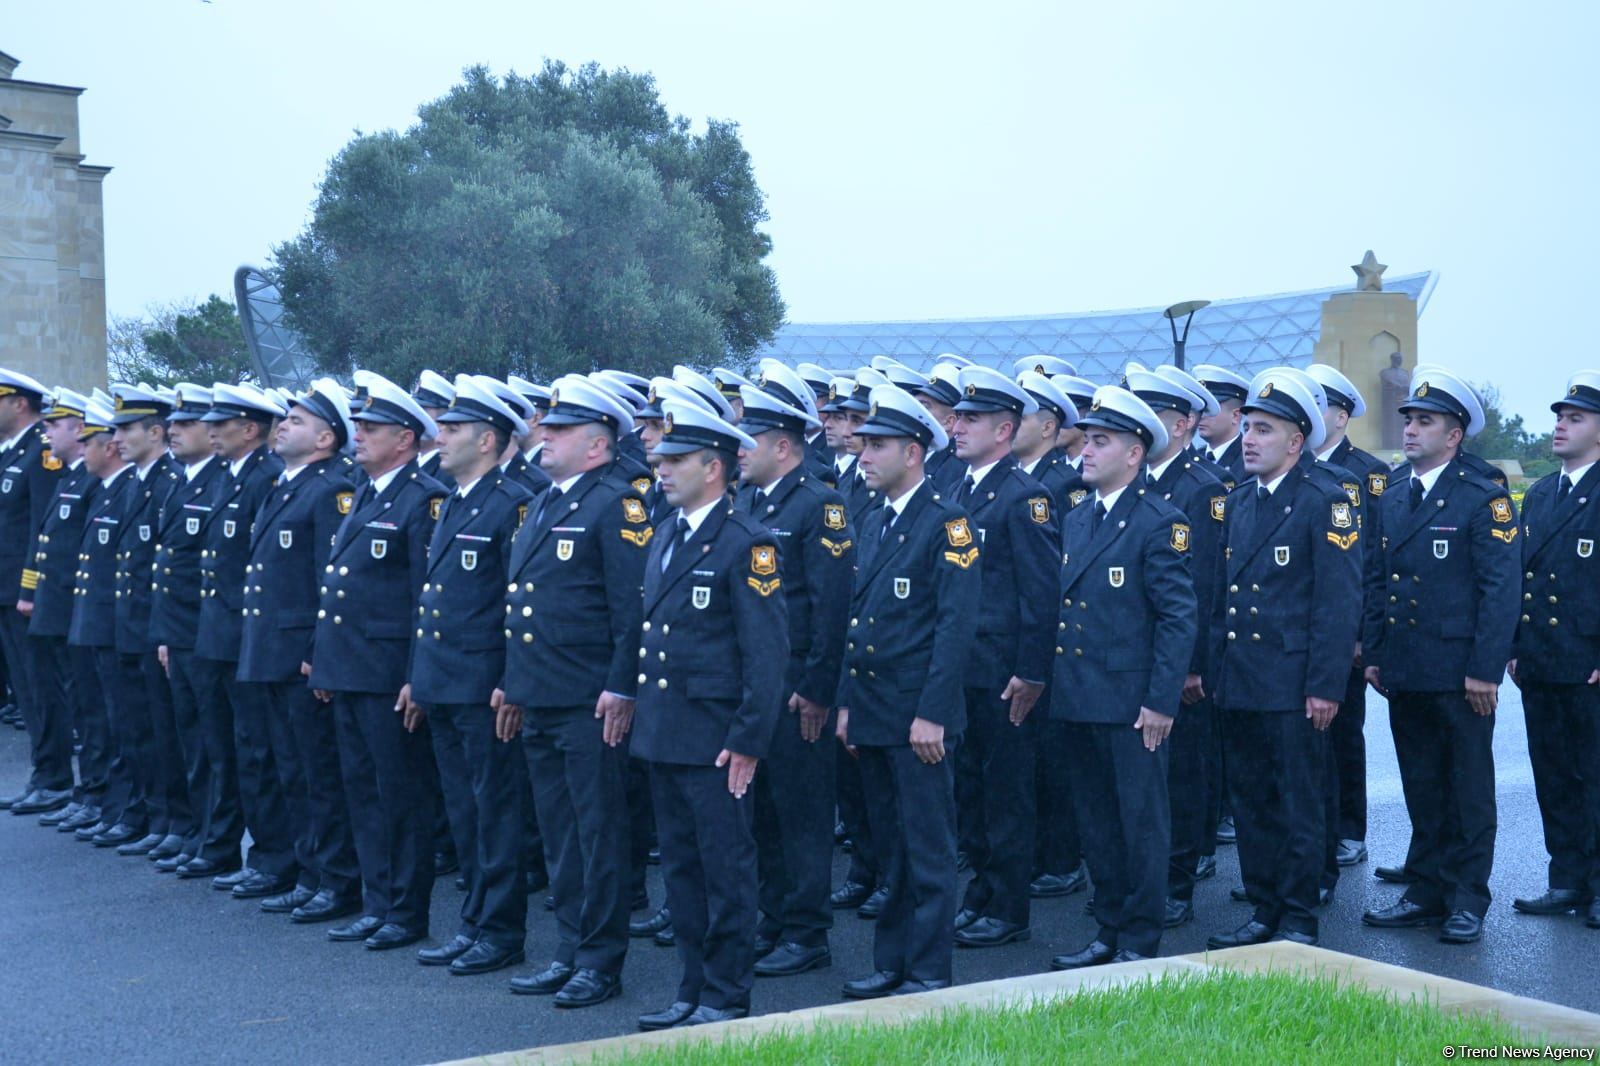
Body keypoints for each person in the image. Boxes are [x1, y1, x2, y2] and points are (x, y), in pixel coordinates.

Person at [631, 400, 787, 1030]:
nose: (660, 470)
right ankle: (691, 987)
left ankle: (725, 994)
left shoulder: (749, 544)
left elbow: (766, 654)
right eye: (660, 459)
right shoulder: (667, 532)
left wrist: (749, 740)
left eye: (675, 461)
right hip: (667, 732)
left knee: (726, 870)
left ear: (714, 467)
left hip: (718, 740)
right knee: (683, 871)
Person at [501, 376, 648, 1006]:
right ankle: (568, 948)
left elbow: (632, 611)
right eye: (546, 427)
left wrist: (621, 687)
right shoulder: (545, 502)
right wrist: (514, 684)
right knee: (560, 834)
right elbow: (527, 606)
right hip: (542, 695)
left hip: (591, 703)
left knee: (599, 835)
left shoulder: (617, 505)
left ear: (597, 446)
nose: (544, 436)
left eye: (559, 432)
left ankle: (599, 960)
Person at [1361, 367, 1519, 945]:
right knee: (1422, 785)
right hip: (1407, 668)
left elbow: (1499, 591)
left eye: (1424, 421)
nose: (1410, 430)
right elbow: (1378, 579)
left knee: (1468, 788)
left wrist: (1484, 669)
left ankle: (1467, 898)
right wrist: (1376, 652)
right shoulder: (1396, 494)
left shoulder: (1484, 497)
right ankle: (1426, 889)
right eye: (1408, 420)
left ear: (1454, 435)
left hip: (1460, 674)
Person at [1205, 369, 1362, 949]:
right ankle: (1263, 907)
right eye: (1246, 426)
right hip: (1243, 680)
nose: (1248, 438)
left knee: (1296, 801)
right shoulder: (1239, 501)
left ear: (1297, 442)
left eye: (1263, 430)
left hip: (1295, 682)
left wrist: (1325, 687)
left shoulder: (1327, 500)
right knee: (1251, 802)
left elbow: (1337, 603)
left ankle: (1296, 915)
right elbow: (1224, 599)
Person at [836, 384, 980, 999]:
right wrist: (845, 702)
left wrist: (934, 715)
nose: (864, 455)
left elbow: (955, 629)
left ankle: (926, 970)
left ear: (915, 452)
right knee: (889, 848)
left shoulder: (948, 524)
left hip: (916, 718)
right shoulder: (873, 518)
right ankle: (890, 960)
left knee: (927, 849)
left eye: (878, 445)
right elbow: (856, 619)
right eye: (863, 444)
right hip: (873, 711)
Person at [1048, 386, 1196, 969]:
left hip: (1133, 703)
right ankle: (1107, 928)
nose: (1086, 450)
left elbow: (1177, 618)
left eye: (1101, 441)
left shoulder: (1161, 520)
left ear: (1134, 454)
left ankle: (1139, 940)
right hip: (1081, 696)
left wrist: (1161, 702)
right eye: (1087, 439)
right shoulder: (1079, 516)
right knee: (1097, 824)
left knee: (1141, 824)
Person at [308, 373, 447, 952]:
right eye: (358, 426)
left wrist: (418, 674)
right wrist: (325, 662)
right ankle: (378, 900)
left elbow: (426, 596)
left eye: (371, 428)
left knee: (399, 795)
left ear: (407, 438)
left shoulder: (421, 499)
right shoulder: (366, 492)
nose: (358, 435)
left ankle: (406, 910)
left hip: (390, 674)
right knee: (362, 790)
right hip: (352, 670)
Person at [402, 375, 534, 977]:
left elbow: (517, 606)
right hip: (446, 680)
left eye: (453, 429)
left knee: (494, 810)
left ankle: (501, 929)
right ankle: (475, 920)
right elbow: (432, 599)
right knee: (464, 812)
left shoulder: (512, 501)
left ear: (487, 440)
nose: (441, 436)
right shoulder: (457, 499)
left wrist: (512, 680)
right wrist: (417, 675)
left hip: (484, 686)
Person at [735, 382, 854, 978]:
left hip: (799, 687)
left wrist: (817, 690)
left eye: (748, 440)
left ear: (783, 446)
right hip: (761, 688)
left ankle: (807, 931)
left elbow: (832, 609)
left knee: (803, 813)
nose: (739, 450)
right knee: (763, 812)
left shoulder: (819, 506)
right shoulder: (753, 503)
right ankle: (773, 916)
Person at [236, 380, 363, 920]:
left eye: (297, 419)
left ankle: (334, 879)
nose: (283, 424)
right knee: (290, 769)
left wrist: (318, 649)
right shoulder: (285, 485)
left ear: (325, 438)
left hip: (301, 655)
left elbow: (327, 583)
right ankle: (305, 869)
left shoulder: (331, 489)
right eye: (284, 416)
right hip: (270, 650)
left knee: (318, 774)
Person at [947, 366, 1059, 949]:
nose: (957, 427)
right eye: (958, 417)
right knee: (971, 791)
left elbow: (1041, 595)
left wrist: (1032, 672)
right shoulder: (959, 490)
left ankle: (1009, 906)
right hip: (963, 672)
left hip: (1005, 676)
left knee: (1007, 793)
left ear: (1005, 430)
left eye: (971, 419)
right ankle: (982, 893)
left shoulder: (1026, 498)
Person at [1126, 365, 1229, 928]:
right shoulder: (1140, 481)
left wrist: (1191, 668)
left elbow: (1205, 587)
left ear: (1184, 422)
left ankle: (1177, 882)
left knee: (1182, 775)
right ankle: (1143, 878)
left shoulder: (1202, 487)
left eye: (1155, 412)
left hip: (1179, 663)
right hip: (1135, 659)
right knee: (1143, 778)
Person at [1507, 371, 1600, 930]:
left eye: (1576, 418)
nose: (1561, 426)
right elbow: (1521, 577)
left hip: (1588, 660)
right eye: (1559, 417)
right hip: (1542, 658)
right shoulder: (1541, 493)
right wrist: (1515, 646)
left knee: (1594, 773)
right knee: (1554, 773)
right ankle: (1566, 878)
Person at [196, 383, 296, 896]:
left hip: (248, 636)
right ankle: (251, 851)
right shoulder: (229, 476)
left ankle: (274, 857)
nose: (210, 430)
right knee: (233, 747)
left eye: (222, 423)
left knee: (260, 750)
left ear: (251, 429)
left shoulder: (265, 478)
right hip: (222, 633)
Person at [1305, 363, 1390, 873]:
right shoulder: (1293, 470)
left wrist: (1362, 634)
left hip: (1347, 630)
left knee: (1342, 733)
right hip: (1301, 630)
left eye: (1318, 405)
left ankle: (1349, 830)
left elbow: (1372, 558)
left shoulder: (1367, 473)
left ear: (1340, 415)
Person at [147, 384, 235, 876]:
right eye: (174, 424)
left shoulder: (223, 481)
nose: (174, 432)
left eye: (186, 424)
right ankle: (200, 831)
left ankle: (219, 840)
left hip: (208, 634)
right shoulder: (183, 481)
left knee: (217, 746)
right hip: (181, 633)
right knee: (194, 743)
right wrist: (166, 634)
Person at [1012, 371, 1091, 901]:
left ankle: (1061, 859)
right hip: (1016, 640)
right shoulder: (1017, 480)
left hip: (1052, 642)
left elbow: (1055, 574)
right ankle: (1032, 852)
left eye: (1021, 416)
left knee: (1052, 758)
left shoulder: (1063, 484)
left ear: (1048, 425)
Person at [107, 384, 184, 857]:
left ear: (155, 432)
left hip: (155, 627)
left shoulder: (168, 482)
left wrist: (162, 632)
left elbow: (167, 569)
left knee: (165, 733)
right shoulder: (135, 481)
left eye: (127, 429)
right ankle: (156, 816)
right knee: (138, 728)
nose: (117, 438)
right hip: (130, 625)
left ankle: (177, 819)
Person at [16, 390, 97, 818]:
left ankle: (69, 785)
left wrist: (28, 593)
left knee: (73, 698)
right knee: (57, 693)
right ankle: (69, 786)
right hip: (54, 602)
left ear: (79, 429)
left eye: (54, 424)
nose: (46, 431)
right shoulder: (66, 476)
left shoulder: (60, 471)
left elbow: (39, 539)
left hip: (67, 606)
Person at [66, 398, 141, 845]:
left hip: (119, 626)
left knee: (128, 726)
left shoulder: (128, 488)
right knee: (107, 722)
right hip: (98, 624)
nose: (84, 447)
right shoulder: (109, 490)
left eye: (89, 440)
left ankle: (129, 809)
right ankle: (115, 805)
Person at [0, 369, 66, 813]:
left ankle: (55, 777)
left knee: (42, 687)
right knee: (25, 689)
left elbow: (42, 528)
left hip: (22, 595)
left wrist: (31, 588)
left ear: (18, 403)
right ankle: (44, 774)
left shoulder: (40, 455)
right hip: (4, 592)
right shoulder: (9, 455)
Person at [1193, 364, 1250, 489]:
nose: (1201, 416)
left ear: (1236, 415)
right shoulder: (1194, 458)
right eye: (1200, 409)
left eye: (1210, 410)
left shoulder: (1250, 461)